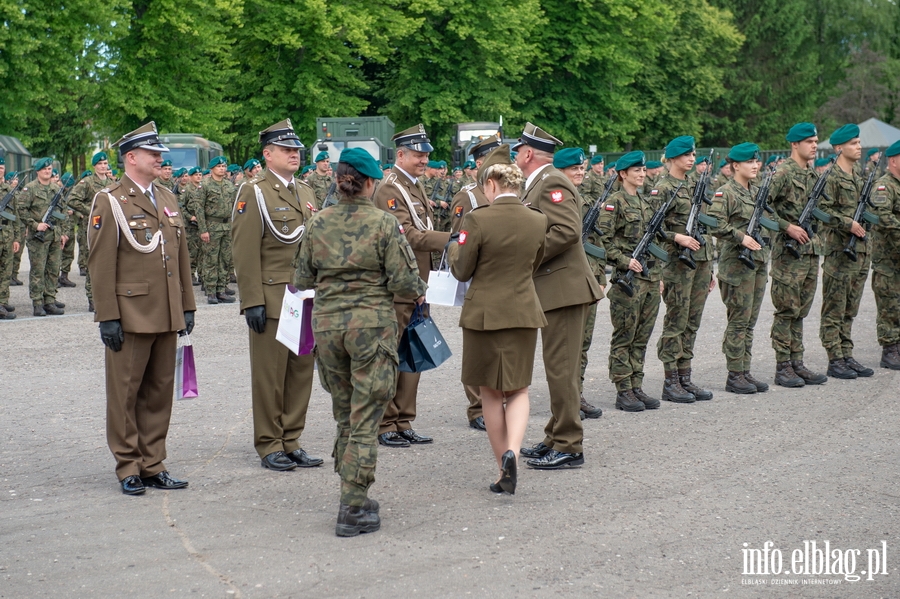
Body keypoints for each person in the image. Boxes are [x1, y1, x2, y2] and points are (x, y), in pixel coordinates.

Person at [295, 147, 426, 536]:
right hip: (371, 328)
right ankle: (352, 505)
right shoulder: (384, 224)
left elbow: (302, 277)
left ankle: (350, 490)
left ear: (339, 180)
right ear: (369, 183)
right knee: (367, 415)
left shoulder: (317, 223)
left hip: (329, 327)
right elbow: (405, 283)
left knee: (344, 413)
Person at [88, 121, 196, 495]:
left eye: (159, 155)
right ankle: (128, 465)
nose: (159, 160)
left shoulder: (166, 197)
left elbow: (180, 254)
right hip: (131, 313)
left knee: (160, 391)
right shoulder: (111, 200)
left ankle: (153, 463)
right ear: (131, 158)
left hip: (166, 310)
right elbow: (100, 263)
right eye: (153, 154)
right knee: (126, 393)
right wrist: (107, 316)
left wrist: (187, 305)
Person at [449, 145, 547, 494]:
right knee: (519, 388)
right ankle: (514, 452)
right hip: (523, 310)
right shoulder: (538, 219)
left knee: (490, 392)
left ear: (491, 184)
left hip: (484, 313)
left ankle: (501, 467)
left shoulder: (477, 219)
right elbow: (533, 266)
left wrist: (453, 248)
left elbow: (461, 270)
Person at [230, 119, 323, 472]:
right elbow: (244, 250)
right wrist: (251, 299)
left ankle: (292, 438)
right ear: (268, 155)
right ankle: (269, 442)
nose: (294, 154)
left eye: (296, 150)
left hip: (304, 295)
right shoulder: (253, 192)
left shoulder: (307, 192)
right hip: (272, 298)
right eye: (286, 150)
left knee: (301, 371)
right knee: (270, 374)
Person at [515, 123, 603, 470]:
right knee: (557, 368)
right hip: (555, 288)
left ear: (527, 154)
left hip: (563, 290)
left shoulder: (551, 181)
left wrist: (527, 257)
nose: (515, 155)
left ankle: (569, 444)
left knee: (562, 370)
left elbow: (567, 231)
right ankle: (555, 434)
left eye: (517, 150)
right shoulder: (538, 182)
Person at [373, 124, 449, 447]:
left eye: (426, 154)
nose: (424, 160)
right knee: (391, 354)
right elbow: (408, 235)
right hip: (398, 285)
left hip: (419, 284)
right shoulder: (391, 188)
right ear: (400, 155)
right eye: (418, 154)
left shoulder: (414, 185)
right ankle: (385, 421)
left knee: (413, 353)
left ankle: (404, 419)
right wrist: (454, 239)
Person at [598, 151, 664, 412]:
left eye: (643, 169)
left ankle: (637, 385)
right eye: (635, 170)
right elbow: (602, 240)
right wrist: (623, 261)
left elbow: (655, 243)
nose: (641, 173)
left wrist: (657, 277)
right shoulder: (614, 203)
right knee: (625, 337)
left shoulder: (647, 203)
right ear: (623, 174)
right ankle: (623, 389)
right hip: (628, 282)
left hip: (649, 280)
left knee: (642, 337)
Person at [767, 123, 829, 387]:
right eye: (809, 141)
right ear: (795, 144)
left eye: (816, 141)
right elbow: (759, 208)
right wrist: (786, 226)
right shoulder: (781, 173)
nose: (814, 145)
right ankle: (783, 366)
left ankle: (797, 362)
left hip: (810, 253)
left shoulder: (813, 176)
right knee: (786, 310)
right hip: (788, 255)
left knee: (801, 310)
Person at [654, 136, 714, 403]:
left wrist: (709, 266)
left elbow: (705, 228)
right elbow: (653, 227)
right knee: (676, 321)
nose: (692, 158)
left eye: (694, 154)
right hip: (676, 263)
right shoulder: (663, 187)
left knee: (692, 321)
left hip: (699, 262)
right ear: (674, 158)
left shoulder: (693, 184)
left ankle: (685, 377)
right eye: (687, 155)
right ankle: (670, 381)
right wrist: (676, 237)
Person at [448, 135, 502, 431]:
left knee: (502, 345)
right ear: (480, 163)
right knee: (478, 347)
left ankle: (499, 398)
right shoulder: (468, 197)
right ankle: (478, 407)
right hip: (478, 280)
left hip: (504, 279)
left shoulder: (510, 191)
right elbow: (458, 242)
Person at [707, 143, 770, 394]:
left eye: (757, 162)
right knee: (738, 321)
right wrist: (740, 237)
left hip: (758, 262)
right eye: (749, 162)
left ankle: (745, 370)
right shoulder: (726, 193)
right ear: (735, 166)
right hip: (736, 266)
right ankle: (734, 374)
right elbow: (715, 223)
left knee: (750, 321)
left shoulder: (756, 191)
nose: (755, 166)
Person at [818, 124, 873, 378]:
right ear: (839, 148)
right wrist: (847, 223)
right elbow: (822, 212)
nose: (858, 147)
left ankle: (846, 353)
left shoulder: (859, 178)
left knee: (850, 308)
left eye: (859, 142)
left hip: (860, 253)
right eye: (853, 143)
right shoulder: (830, 178)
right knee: (835, 307)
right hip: (839, 253)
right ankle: (834, 358)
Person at [554, 147, 605, 418]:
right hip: (565, 279)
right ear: (560, 171)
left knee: (583, 343)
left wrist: (598, 279)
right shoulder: (557, 199)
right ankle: (566, 399)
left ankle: (577, 393)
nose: (580, 172)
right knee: (566, 346)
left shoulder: (584, 200)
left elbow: (596, 244)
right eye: (574, 168)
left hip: (587, 278)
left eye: (582, 168)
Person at [19, 157, 68, 316]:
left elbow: (63, 212)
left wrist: (63, 233)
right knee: (38, 271)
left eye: (50, 169)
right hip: (37, 238)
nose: (48, 171)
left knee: (53, 270)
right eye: (45, 169)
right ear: (38, 171)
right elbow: (21, 210)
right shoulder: (30, 189)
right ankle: (37, 303)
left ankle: (50, 300)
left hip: (54, 235)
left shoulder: (56, 188)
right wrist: (35, 225)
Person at [67, 152, 113, 312]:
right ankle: (93, 299)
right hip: (93, 228)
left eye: (105, 163)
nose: (103, 166)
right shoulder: (86, 182)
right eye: (100, 164)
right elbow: (72, 199)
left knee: (109, 264)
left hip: (110, 228)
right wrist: (91, 210)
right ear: (94, 166)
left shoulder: (111, 183)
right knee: (93, 264)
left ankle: (107, 298)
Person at [189, 155, 237, 304]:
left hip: (226, 226)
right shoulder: (205, 185)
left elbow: (234, 206)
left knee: (225, 259)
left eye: (224, 166)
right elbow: (199, 209)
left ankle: (221, 289)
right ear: (212, 169)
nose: (222, 169)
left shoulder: (229, 185)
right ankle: (211, 291)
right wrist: (203, 230)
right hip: (211, 226)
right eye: (219, 166)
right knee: (211, 259)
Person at [870, 140, 900, 370]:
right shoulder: (883, 186)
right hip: (888, 257)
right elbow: (885, 219)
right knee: (889, 303)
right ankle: (889, 350)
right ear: (893, 160)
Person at [0, 168, 21, 319]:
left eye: (1, 168)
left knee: (6, 270)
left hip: (7, 234)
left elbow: (15, 216)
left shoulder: (9, 190)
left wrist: (16, 238)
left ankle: (2, 301)